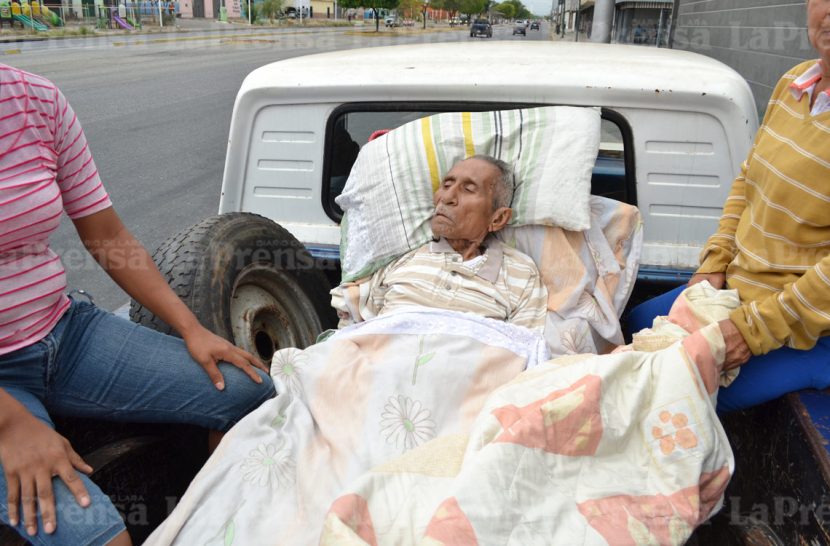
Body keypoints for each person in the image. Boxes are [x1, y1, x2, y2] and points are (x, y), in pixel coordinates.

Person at [0, 64, 275, 545]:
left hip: (64, 334)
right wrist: (10, 424)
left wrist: (191, 327)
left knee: (249, 393)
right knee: (99, 537)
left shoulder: (35, 99)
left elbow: (107, 237)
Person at [628, 0, 830, 413]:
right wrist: (714, 262)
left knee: (656, 401)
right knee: (631, 326)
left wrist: (751, 330)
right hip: (741, 294)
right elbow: (747, 180)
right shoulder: (795, 82)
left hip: (807, 331)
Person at [331, 155, 548, 334]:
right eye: (446, 184)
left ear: (498, 219)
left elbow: (525, 351)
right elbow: (354, 330)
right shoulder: (404, 258)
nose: (447, 197)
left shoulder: (521, 273)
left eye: (469, 189)